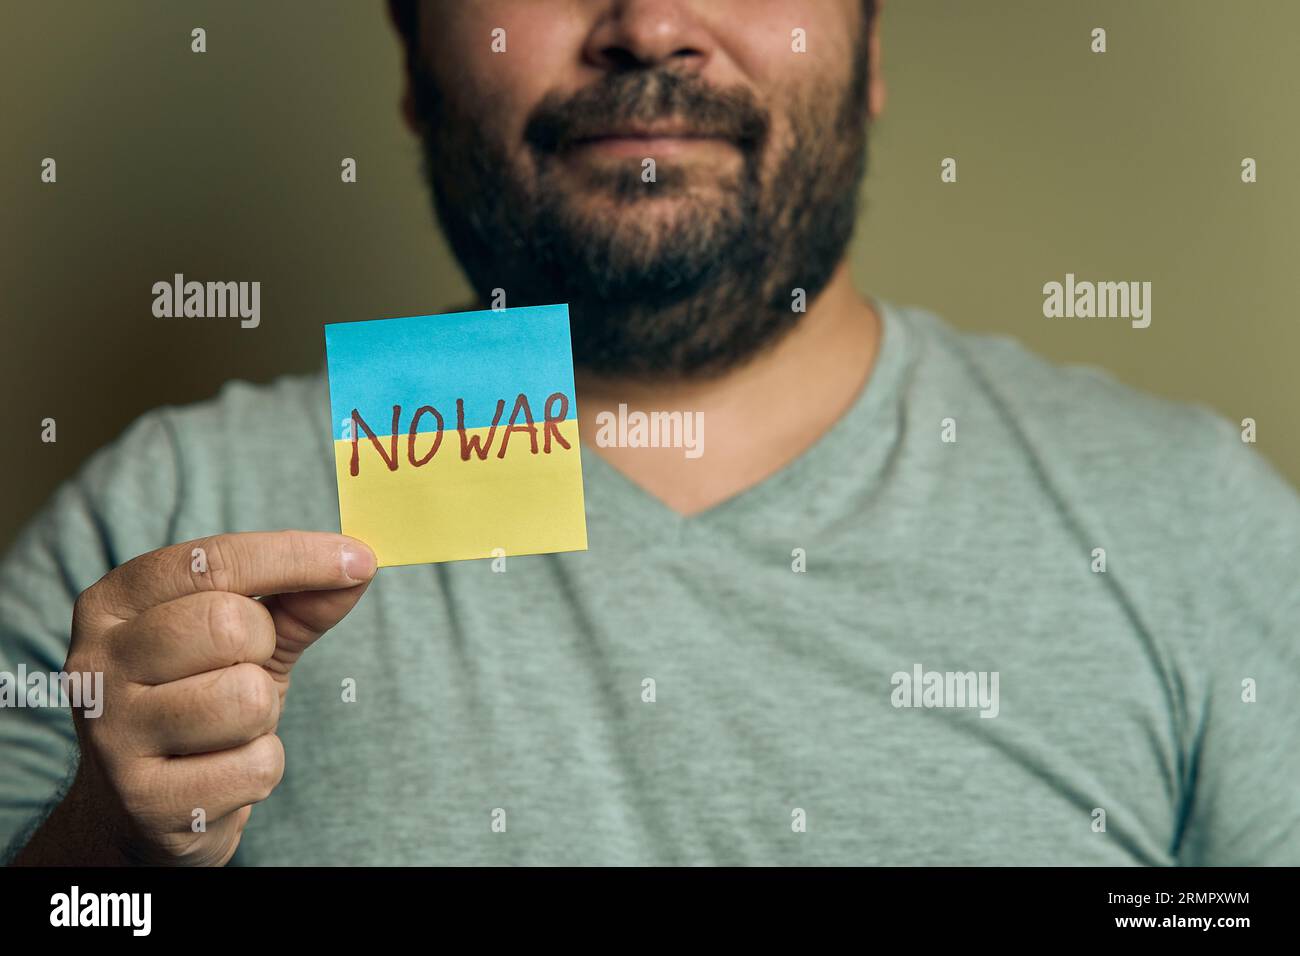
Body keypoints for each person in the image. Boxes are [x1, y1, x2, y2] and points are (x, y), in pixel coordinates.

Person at [3, 0, 1297, 866]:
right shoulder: (159, 522)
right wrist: (106, 861)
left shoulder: (1191, 521)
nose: (650, 24)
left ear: (870, 46)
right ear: (411, 56)